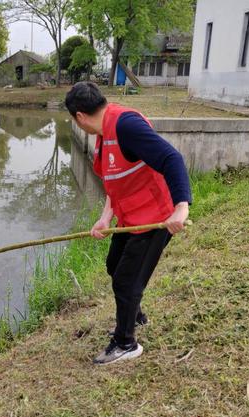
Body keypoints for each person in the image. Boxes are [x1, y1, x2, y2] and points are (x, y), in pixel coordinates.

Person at [65, 81, 192, 365]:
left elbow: (172, 158)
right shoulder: (103, 131)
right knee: (114, 265)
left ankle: (125, 343)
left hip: (156, 218)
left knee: (126, 280)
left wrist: (181, 208)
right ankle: (134, 315)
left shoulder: (126, 126)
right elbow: (115, 180)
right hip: (130, 217)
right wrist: (105, 217)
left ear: (79, 117)